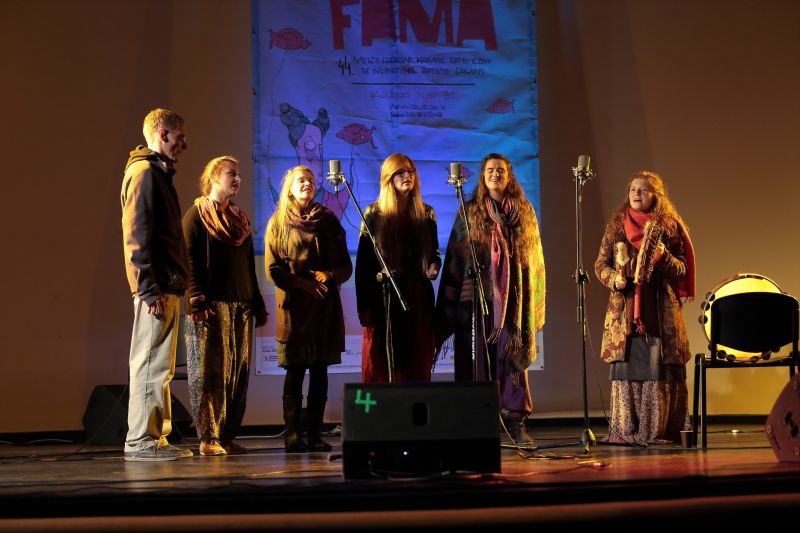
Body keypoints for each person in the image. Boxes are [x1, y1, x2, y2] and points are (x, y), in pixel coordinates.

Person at [435, 153, 545, 445]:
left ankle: (516, 420)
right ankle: (478, 421)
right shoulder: (470, 211)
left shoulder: (523, 211)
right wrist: (452, 304)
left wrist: (532, 300)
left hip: (514, 303)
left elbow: (535, 259)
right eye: (490, 170)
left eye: (501, 170)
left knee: (512, 359)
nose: (495, 174)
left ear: (509, 176)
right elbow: (456, 257)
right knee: (478, 363)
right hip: (477, 301)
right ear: (483, 177)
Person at [594, 170, 695, 445]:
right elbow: (601, 264)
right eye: (633, 190)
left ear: (656, 195)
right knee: (628, 368)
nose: (637, 194)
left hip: (660, 314)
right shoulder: (617, 225)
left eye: (643, 189)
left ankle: (656, 430)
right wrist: (614, 279)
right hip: (625, 313)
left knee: (657, 369)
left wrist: (663, 256)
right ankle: (627, 430)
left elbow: (682, 269)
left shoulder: (670, 227)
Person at [120, 108, 193, 461]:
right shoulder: (145, 173)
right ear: (163, 134)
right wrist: (148, 290)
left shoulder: (156, 173)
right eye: (180, 136)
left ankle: (155, 438)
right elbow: (136, 237)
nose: (184, 144)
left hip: (166, 285)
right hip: (157, 288)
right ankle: (141, 441)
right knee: (150, 364)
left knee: (160, 367)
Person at [182, 156, 268, 456]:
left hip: (240, 304)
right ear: (214, 177)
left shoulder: (239, 220)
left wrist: (257, 303)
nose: (238, 179)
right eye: (232, 173)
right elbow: (188, 259)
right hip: (211, 305)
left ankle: (227, 436)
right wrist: (196, 298)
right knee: (210, 373)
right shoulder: (197, 215)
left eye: (239, 174)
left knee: (237, 373)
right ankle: (208, 438)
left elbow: (248, 267)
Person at [265, 166, 352, 452]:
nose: (307, 184)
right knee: (295, 371)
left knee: (319, 371)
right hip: (294, 310)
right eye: (301, 180)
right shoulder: (278, 222)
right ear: (289, 188)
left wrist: (329, 275)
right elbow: (272, 270)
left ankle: (315, 435)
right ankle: (292, 435)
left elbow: (345, 266)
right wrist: (304, 285)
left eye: (311, 181)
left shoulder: (328, 220)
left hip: (323, 309)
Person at [356, 153, 440, 383]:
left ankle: (415, 406)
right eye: (400, 172)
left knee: (416, 362)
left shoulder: (427, 212)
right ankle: (383, 406)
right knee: (383, 364)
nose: (407, 176)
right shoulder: (374, 214)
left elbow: (434, 252)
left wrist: (434, 266)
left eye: (410, 172)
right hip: (385, 298)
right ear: (389, 177)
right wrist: (364, 307)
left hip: (418, 299)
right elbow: (363, 264)